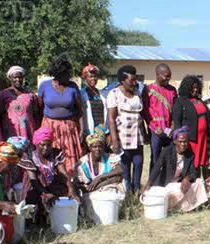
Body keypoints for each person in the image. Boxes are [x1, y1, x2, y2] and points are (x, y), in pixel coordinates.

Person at [18, 127, 80, 216]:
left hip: (52, 183)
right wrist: (47, 194)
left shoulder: (55, 154)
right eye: (42, 145)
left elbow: (63, 173)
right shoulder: (29, 156)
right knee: (35, 201)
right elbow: (33, 181)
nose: (46, 148)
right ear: (36, 144)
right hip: (36, 187)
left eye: (49, 145)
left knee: (70, 191)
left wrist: (71, 188)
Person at [145, 127, 208, 212]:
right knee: (172, 193)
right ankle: (178, 206)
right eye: (180, 141)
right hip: (168, 184)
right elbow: (157, 167)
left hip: (180, 184)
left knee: (199, 182)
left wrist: (187, 178)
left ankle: (186, 206)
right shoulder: (167, 151)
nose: (183, 144)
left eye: (185, 141)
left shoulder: (189, 154)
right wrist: (149, 184)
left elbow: (194, 172)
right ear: (175, 141)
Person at [38, 58, 84, 172]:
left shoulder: (73, 87)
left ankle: (70, 182)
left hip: (69, 128)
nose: (69, 76)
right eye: (66, 74)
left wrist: (82, 130)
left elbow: (79, 110)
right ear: (58, 74)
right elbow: (39, 108)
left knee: (69, 158)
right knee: (50, 155)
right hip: (49, 127)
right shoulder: (44, 86)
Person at [107, 65, 147, 193]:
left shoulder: (137, 93)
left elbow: (141, 114)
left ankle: (136, 191)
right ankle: (126, 193)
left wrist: (145, 133)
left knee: (139, 162)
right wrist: (114, 140)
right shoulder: (114, 94)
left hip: (138, 134)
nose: (134, 82)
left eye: (136, 79)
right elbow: (111, 119)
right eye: (131, 80)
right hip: (122, 136)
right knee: (125, 165)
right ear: (122, 81)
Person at [172, 75, 209, 174]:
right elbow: (177, 121)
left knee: (200, 163)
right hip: (191, 138)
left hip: (202, 137)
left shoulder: (200, 100)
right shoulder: (180, 101)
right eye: (192, 87)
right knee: (191, 162)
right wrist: (178, 138)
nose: (195, 90)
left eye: (197, 87)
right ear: (187, 87)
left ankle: (198, 181)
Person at [142, 63, 177, 168]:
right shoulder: (148, 90)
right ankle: (153, 182)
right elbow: (145, 112)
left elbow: (175, 110)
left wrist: (173, 126)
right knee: (155, 159)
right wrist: (155, 128)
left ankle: (167, 181)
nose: (168, 78)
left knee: (170, 158)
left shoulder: (172, 90)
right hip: (156, 131)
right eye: (166, 76)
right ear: (158, 75)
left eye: (169, 76)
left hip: (169, 130)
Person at [0, 65, 41, 140]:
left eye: (20, 77)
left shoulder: (30, 95)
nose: (18, 79)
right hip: (11, 131)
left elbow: (36, 115)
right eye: (15, 77)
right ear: (10, 78)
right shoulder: (2, 95)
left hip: (28, 130)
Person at [75, 126, 124, 196]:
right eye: (94, 147)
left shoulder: (109, 157)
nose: (97, 149)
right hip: (88, 194)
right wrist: (109, 180)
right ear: (89, 148)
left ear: (103, 147)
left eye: (100, 146)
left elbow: (120, 170)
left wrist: (99, 178)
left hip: (105, 189)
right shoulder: (83, 162)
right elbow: (84, 187)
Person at [79, 64, 107, 138]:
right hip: (87, 130)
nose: (93, 79)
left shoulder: (103, 94)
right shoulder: (81, 94)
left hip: (101, 130)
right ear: (85, 78)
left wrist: (107, 131)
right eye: (90, 76)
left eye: (95, 76)